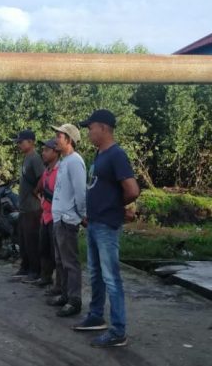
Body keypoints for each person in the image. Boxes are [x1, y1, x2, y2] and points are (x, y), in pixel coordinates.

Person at [73, 109, 141, 348]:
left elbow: (132, 190)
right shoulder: (100, 154)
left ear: (103, 128)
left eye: (90, 128)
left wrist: (114, 206)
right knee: (96, 274)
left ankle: (118, 331)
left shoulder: (116, 155)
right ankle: (96, 316)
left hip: (106, 225)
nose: (89, 132)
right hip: (94, 223)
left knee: (111, 278)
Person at [46, 123, 86, 317]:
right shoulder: (64, 161)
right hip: (59, 218)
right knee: (60, 261)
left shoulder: (75, 162)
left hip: (67, 219)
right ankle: (63, 294)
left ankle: (74, 300)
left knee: (70, 263)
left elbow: (80, 192)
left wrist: (81, 215)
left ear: (69, 140)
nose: (56, 140)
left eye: (59, 136)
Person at [11, 129, 45, 283]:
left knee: (32, 240)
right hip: (24, 207)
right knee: (23, 240)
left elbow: (42, 177)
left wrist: (36, 191)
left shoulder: (35, 158)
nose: (18, 145)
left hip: (33, 207)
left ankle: (35, 270)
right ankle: (25, 267)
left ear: (30, 142)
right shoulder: (26, 158)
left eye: (21, 142)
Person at [36, 138, 60, 291]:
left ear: (55, 152)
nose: (43, 153)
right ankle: (46, 277)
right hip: (45, 216)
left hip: (55, 217)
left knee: (55, 252)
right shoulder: (46, 171)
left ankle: (59, 284)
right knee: (44, 248)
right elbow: (38, 189)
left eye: (46, 150)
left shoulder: (60, 171)